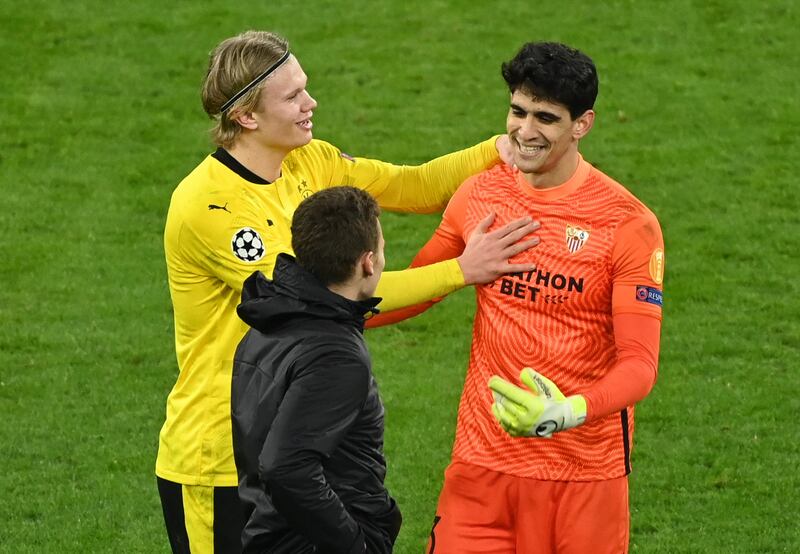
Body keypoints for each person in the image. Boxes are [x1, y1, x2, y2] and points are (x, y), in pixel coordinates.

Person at [157, 30, 540, 553]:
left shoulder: (309, 161)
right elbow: (327, 291)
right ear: (246, 116)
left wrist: (495, 150)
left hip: (299, 447)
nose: (310, 103)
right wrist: (461, 270)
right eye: (292, 96)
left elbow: (414, 184)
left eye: (305, 87)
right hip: (219, 458)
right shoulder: (211, 207)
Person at [368, 42, 665, 553]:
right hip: (482, 465)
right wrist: (318, 312)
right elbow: (415, 288)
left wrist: (568, 411)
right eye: (518, 111)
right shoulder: (481, 194)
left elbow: (639, 365)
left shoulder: (627, 224)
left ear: (582, 124)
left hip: (585, 476)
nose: (525, 132)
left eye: (546, 118)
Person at [231, 186, 398, 554]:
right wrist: (356, 545)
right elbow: (285, 468)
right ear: (367, 262)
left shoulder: (268, 321)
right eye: (383, 250)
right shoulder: (336, 355)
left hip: (265, 534)